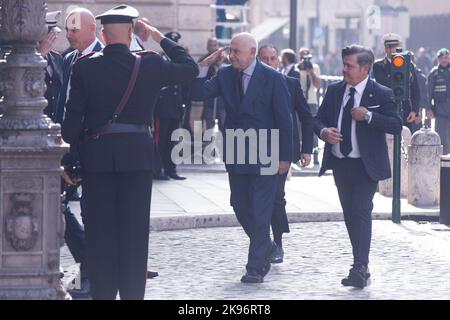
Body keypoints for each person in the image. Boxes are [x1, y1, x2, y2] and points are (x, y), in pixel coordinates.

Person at [61, 4, 198, 299]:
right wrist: (159, 37)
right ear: (130, 33)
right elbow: (190, 68)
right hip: (137, 158)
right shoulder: (149, 63)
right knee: (135, 234)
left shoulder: (85, 66)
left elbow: (73, 120)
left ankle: (104, 295)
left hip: (97, 160)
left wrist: (69, 161)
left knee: (100, 234)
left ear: (104, 34)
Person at [199, 33, 293, 283]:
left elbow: (285, 119)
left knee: (261, 210)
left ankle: (255, 267)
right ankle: (267, 245)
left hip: (266, 151)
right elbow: (197, 93)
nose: (232, 56)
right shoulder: (225, 74)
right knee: (240, 205)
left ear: (252, 52)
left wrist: (286, 157)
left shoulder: (272, 78)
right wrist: (205, 65)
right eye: (230, 51)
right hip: (237, 151)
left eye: (237, 52)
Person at [314, 44, 402, 288]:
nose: (344, 69)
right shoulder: (334, 91)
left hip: (366, 165)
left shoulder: (380, 93)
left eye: (349, 66)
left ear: (365, 69)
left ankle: (359, 267)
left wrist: (368, 116)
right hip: (341, 164)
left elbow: (396, 124)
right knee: (350, 214)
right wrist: (323, 132)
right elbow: (317, 119)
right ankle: (361, 264)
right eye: (343, 64)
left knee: (361, 210)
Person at [258, 44, 313, 263]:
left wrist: (306, 149)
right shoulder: (247, 82)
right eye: (265, 59)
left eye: (273, 58)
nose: (270, 62)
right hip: (253, 147)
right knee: (253, 200)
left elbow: (305, 116)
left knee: (276, 198)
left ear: (278, 61)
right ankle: (263, 241)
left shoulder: (290, 83)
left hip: (281, 150)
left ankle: (277, 243)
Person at [153, 31, 190, 180]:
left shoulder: (180, 60)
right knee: (160, 140)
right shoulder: (160, 59)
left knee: (172, 139)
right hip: (162, 108)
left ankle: (171, 169)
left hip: (175, 107)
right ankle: (158, 169)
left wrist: (184, 103)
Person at [372, 33, 420, 131]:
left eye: (394, 47)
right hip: (386, 108)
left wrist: (414, 111)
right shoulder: (379, 65)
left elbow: (415, 89)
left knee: (405, 140)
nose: (391, 49)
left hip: (405, 109)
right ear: (385, 48)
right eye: (388, 47)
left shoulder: (408, 64)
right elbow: (384, 84)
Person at [298, 47, 321, 163]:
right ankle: (298, 153)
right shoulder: (297, 68)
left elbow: (317, 85)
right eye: (302, 57)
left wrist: (311, 72)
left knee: (312, 127)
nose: (305, 60)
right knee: (298, 127)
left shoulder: (314, 67)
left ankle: (315, 153)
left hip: (311, 100)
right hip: (299, 101)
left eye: (307, 57)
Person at [428, 48, 450, 155]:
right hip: (440, 110)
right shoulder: (434, 73)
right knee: (442, 138)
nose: (444, 60)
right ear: (438, 59)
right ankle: (443, 162)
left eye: (446, 57)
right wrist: (429, 108)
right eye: (442, 58)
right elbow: (429, 92)